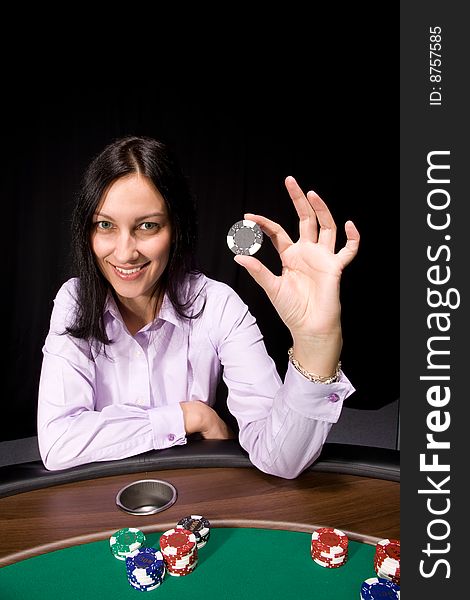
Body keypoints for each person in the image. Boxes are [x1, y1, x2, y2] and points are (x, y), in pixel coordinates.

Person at [37, 135, 360, 479]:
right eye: (105, 225)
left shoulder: (218, 305)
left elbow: (280, 459)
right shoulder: (74, 301)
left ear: (176, 228)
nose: (124, 251)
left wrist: (317, 345)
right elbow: (59, 444)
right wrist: (189, 416)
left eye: (148, 226)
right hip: (101, 498)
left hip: (194, 493)